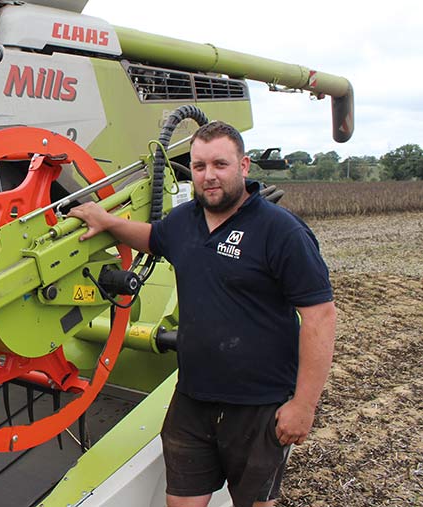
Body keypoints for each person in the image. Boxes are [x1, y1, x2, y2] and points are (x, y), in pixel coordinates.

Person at [68, 121, 336, 507]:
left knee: (256, 503)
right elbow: (152, 238)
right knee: (181, 501)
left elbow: (320, 317)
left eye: (220, 165)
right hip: (192, 399)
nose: (209, 176)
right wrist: (108, 221)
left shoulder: (281, 232)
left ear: (244, 166)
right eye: (198, 166)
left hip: (258, 404)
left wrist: (303, 406)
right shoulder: (186, 221)